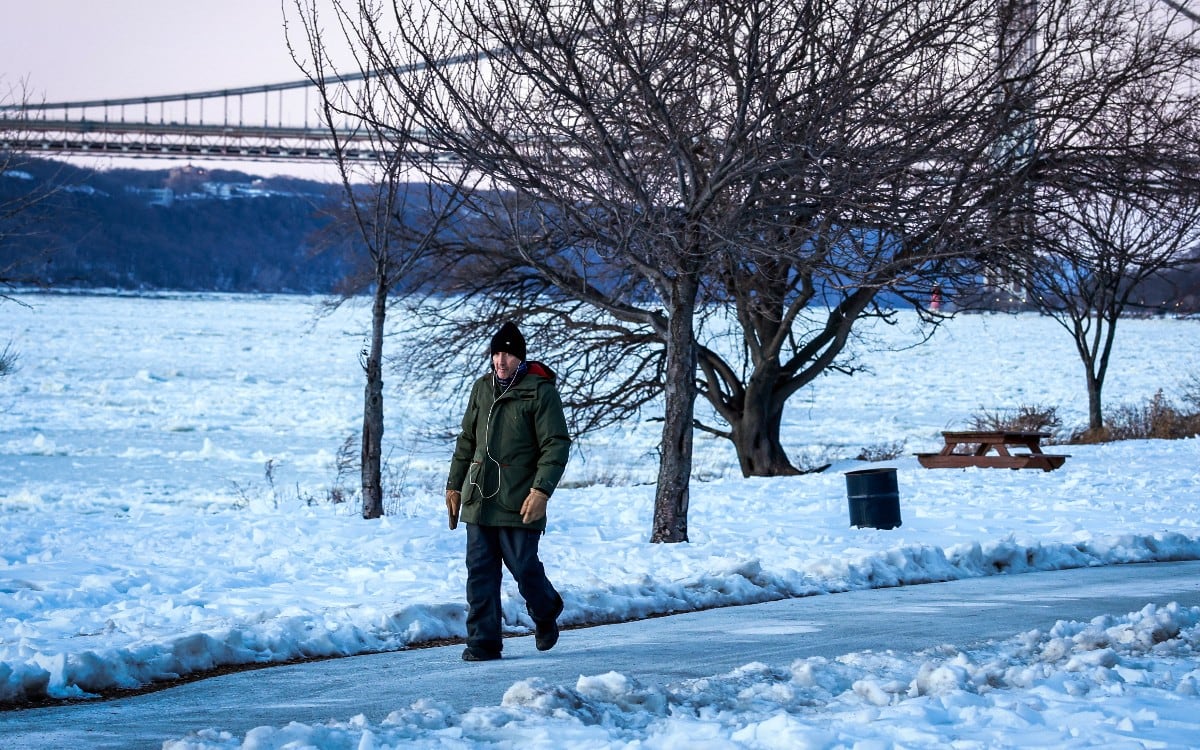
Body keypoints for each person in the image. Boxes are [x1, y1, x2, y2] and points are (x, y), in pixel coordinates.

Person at [444, 321, 571, 661]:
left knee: (523, 567)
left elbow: (555, 445)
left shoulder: (540, 391)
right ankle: (483, 642)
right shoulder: (481, 388)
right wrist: (454, 485)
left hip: (520, 498)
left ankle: (546, 611)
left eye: (508, 355)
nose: (501, 361)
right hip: (479, 498)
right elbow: (467, 440)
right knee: (480, 572)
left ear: (520, 358)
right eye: (496, 353)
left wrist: (541, 491)